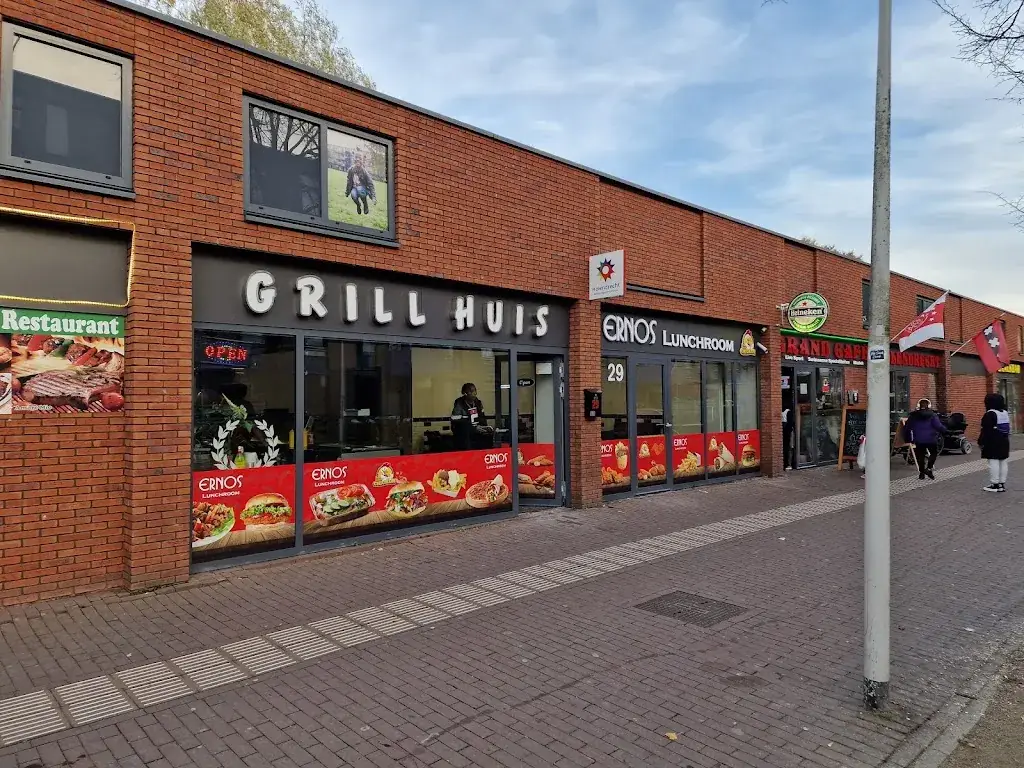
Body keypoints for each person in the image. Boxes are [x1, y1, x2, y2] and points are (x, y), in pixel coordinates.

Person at [906, 398, 947, 480]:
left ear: (918, 406)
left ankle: (922, 473)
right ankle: (929, 468)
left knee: (920, 456)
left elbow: (908, 427)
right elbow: (938, 426)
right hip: (931, 438)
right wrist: (945, 430)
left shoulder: (913, 416)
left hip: (919, 439)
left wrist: (909, 438)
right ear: (929, 406)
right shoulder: (933, 415)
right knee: (934, 453)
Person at [980, 392, 1011, 492]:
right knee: (1003, 461)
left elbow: (985, 430)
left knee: (993, 462)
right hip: (1004, 440)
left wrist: (981, 442)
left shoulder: (990, 414)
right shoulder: (1005, 413)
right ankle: (1001, 483)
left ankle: (995, 484)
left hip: (993, 441)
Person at [451, 383, 491, 450]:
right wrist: (474, 428)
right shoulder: (459, 405)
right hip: (465, 438)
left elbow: (482, 419)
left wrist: (485, 428)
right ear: (465, 393)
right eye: (471, 391)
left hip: (478, 435)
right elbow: (457, 425)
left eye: (475, 390)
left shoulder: (478, 403)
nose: (474, 393)